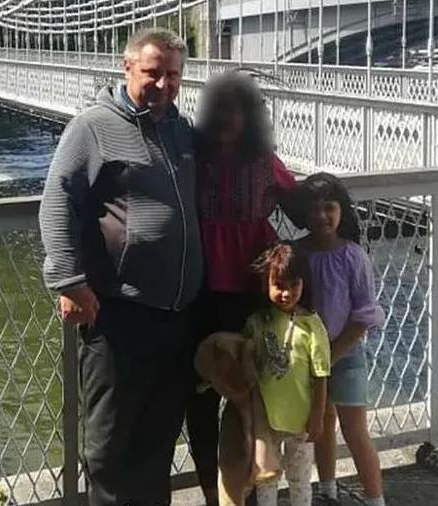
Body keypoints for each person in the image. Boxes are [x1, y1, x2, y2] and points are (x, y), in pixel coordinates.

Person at [38, 27, 202, 506]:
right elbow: (57, 202)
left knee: (159, 437)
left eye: (173, 75)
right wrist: (69, 281)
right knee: (109, 445)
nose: (164, 84)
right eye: (153, 73)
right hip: (120, 313)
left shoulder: (182, 130)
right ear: (127, 67)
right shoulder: (93, 126)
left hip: (177, 315)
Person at [188, 69, 302, 506]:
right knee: (197, 398)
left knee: (245, 400)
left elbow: (302, 204)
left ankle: (244, 494)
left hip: (250, 292)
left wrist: (336, 232)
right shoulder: (192, 159)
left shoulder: (264, 162)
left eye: (236, 110)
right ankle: (210, 494)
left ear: (250, 116)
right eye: (220, 109)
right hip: (197, 291)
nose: (227, 118)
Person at [297, 173, 386, 506]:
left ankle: (375, 497)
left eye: (329, 207)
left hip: (344, 356)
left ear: (342, 211)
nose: (322, 216)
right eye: (314, 209)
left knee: (355, 430)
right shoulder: (296, 253)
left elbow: (364, 314)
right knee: (319, 424)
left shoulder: (352, 256)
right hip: (304, 357)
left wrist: (332, 355)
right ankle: (327, 488)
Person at [243, 242, 331, 506]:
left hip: (301, 420)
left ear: (304, 284)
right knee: (266, 477)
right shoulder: (257, 323)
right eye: (279, 285)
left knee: (300, 479)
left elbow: (321, 375)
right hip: (266, 420)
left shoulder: (312, 325)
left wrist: (318, 417)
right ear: (266, 285)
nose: (286, 293)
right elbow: (249, 367)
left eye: (294, 285)